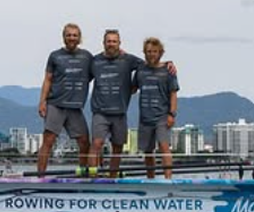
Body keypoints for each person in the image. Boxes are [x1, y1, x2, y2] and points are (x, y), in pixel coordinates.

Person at [36, 23, 93, 176]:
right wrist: (42, 101)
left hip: (75, 107)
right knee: (48, 140)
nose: (71, 38)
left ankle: (82, 175)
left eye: (75, 35)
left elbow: (100, 68)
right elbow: (48, 79)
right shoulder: (55, 56)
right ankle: (40, 176)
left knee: (84, 142)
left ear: (79, 38)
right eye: (68, 35)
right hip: (55, 104)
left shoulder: (87, 56)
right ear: (64, 37)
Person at [88, 29, 143, 178]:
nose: (111, 44)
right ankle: (92, 178)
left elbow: (146, 66)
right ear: (103, 43)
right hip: (100, 112)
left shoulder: (128, 59)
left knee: (117, 148)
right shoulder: (95, 61)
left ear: (119, 43)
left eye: (114, 41)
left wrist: (135, 84)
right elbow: (82, 78)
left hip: (120, 112)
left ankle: (112, 178)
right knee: (96, 144)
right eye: (108, 41)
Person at [135, 37, 179, 179]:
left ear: (160, 52)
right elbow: (132, 88)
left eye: (154, 51)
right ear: (144, 52)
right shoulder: (140, 69)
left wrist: (172, 114)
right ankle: (150, 179)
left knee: (163, 146)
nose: (151, 54)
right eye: (148, 51)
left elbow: (173, 93)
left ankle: (168, 179)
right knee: (148, 151)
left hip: (162, 115)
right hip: (144, 116)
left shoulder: (168, 70)